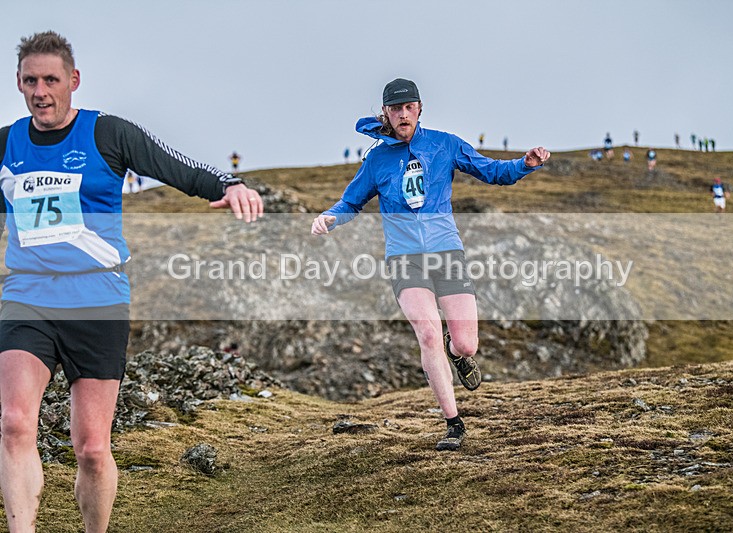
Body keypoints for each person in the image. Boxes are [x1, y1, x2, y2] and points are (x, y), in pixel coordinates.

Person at [0, 31, 264, 532]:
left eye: (51, 79)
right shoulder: (6, 143)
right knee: (14, 423)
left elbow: (174, 164)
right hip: (27, 298)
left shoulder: (107, 134)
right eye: (30, 80)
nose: (40, 91)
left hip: (98, 300)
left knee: (93, 450)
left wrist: (228, 184)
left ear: (73, 81)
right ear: (18, 83)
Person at [311, 78, 549, 451]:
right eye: (395, 109)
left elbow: (493, 172)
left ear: (420, 109)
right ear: (386, 114)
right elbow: (350, 203)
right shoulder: (377, 160)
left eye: (409, 107)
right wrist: (329, 217)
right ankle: (453, 423)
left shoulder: (446, 144)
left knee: (467, 345)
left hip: (446, 253)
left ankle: (458, 353)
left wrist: (525, 164)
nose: (403, 114)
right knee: (427, 334)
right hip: (404, 260)